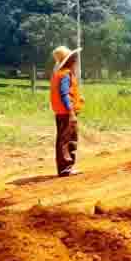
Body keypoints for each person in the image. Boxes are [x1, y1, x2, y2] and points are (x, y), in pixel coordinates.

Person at [50, 46, 84, 177]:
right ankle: (65, 168)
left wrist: (77, 99)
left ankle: (66, 168)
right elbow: (63, 94)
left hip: (61, 112)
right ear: (69, 60)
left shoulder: (59, 74)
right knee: (67, 140)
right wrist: (71, 112)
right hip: (66, 113)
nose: (76, 60)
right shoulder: (65, 74)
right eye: (73, 58)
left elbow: (66, 93)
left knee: (65, 139)